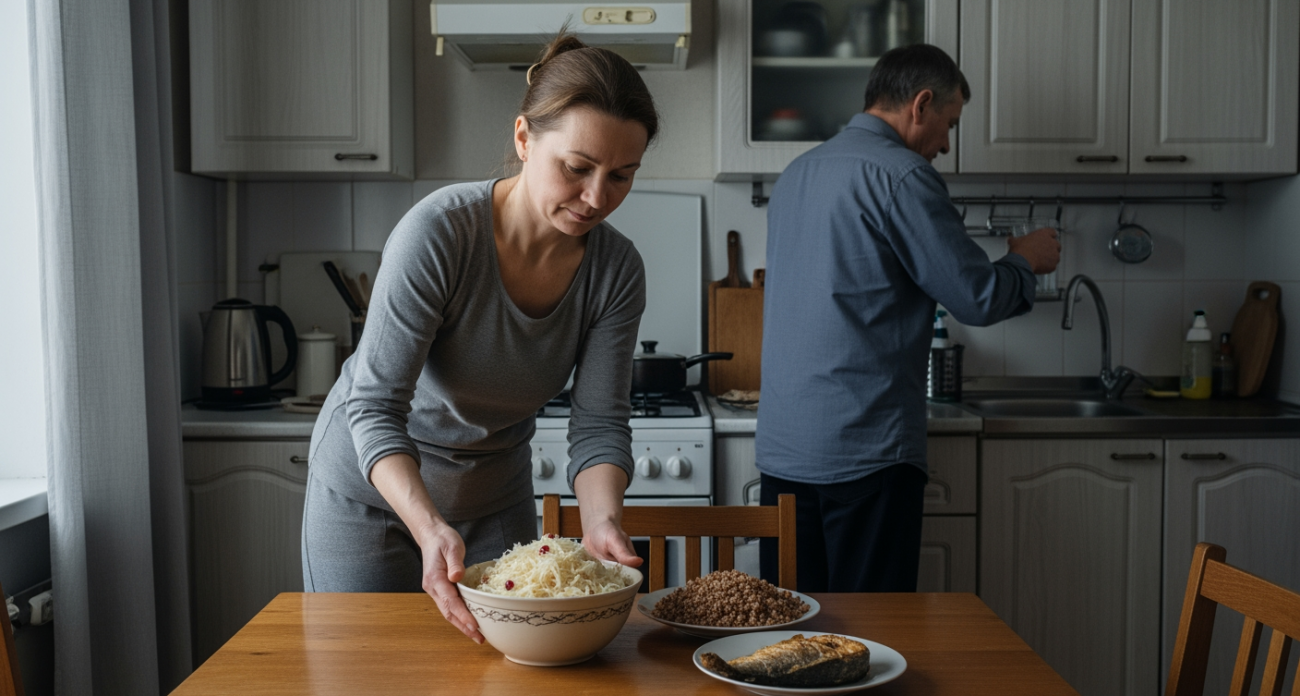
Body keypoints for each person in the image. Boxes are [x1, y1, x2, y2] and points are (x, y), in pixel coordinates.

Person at [301, 33, 660, 643]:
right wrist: (428, 525)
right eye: (576, 168)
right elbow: (374, 405)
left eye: (622, 176)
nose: (598, 198)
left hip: (495, 497)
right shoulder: (440, 235)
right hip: (373, 497)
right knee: (362, 668)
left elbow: (598, 424)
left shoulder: (616, 270)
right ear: (524, 138)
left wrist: (601, 521)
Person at [756, 44, 1060, 592]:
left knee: (789, 631)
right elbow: (978, 297)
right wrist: (1025, 260)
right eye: (949, 124)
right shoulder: (903, 176)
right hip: (864, 453)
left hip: (783, 455)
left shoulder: (796, 174)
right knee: (871, 637)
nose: (945, 144)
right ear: (920, 104)